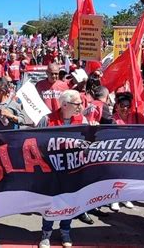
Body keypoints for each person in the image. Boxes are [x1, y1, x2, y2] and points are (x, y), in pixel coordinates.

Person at [38, 89, 89, 248]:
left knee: (70, 201)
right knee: (51, 203)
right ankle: (46, 234)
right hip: (52, 171)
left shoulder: (83, 120)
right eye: (78, 103)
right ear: (65, 105)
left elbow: (88, 144)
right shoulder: (47, 120)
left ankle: (65, 231)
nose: (81, 106)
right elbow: (36, 142)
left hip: (73, 170)